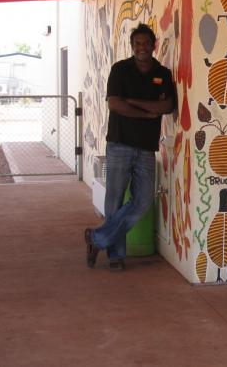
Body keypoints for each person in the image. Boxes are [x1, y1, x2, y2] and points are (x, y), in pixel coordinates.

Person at [85, 23, 175, 270]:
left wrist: (133, 101)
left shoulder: (163, 74)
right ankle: (116, 256)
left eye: (146, 43)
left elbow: (166, 107)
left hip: (147, 147)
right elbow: (114, 104)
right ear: (132, 46)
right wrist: (148, 111)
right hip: (119, 143)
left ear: (153, 45)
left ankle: (97, 238)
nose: (142, 48)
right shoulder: (120, 69)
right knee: (114, 200)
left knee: (143, 201)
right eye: (137, 44)